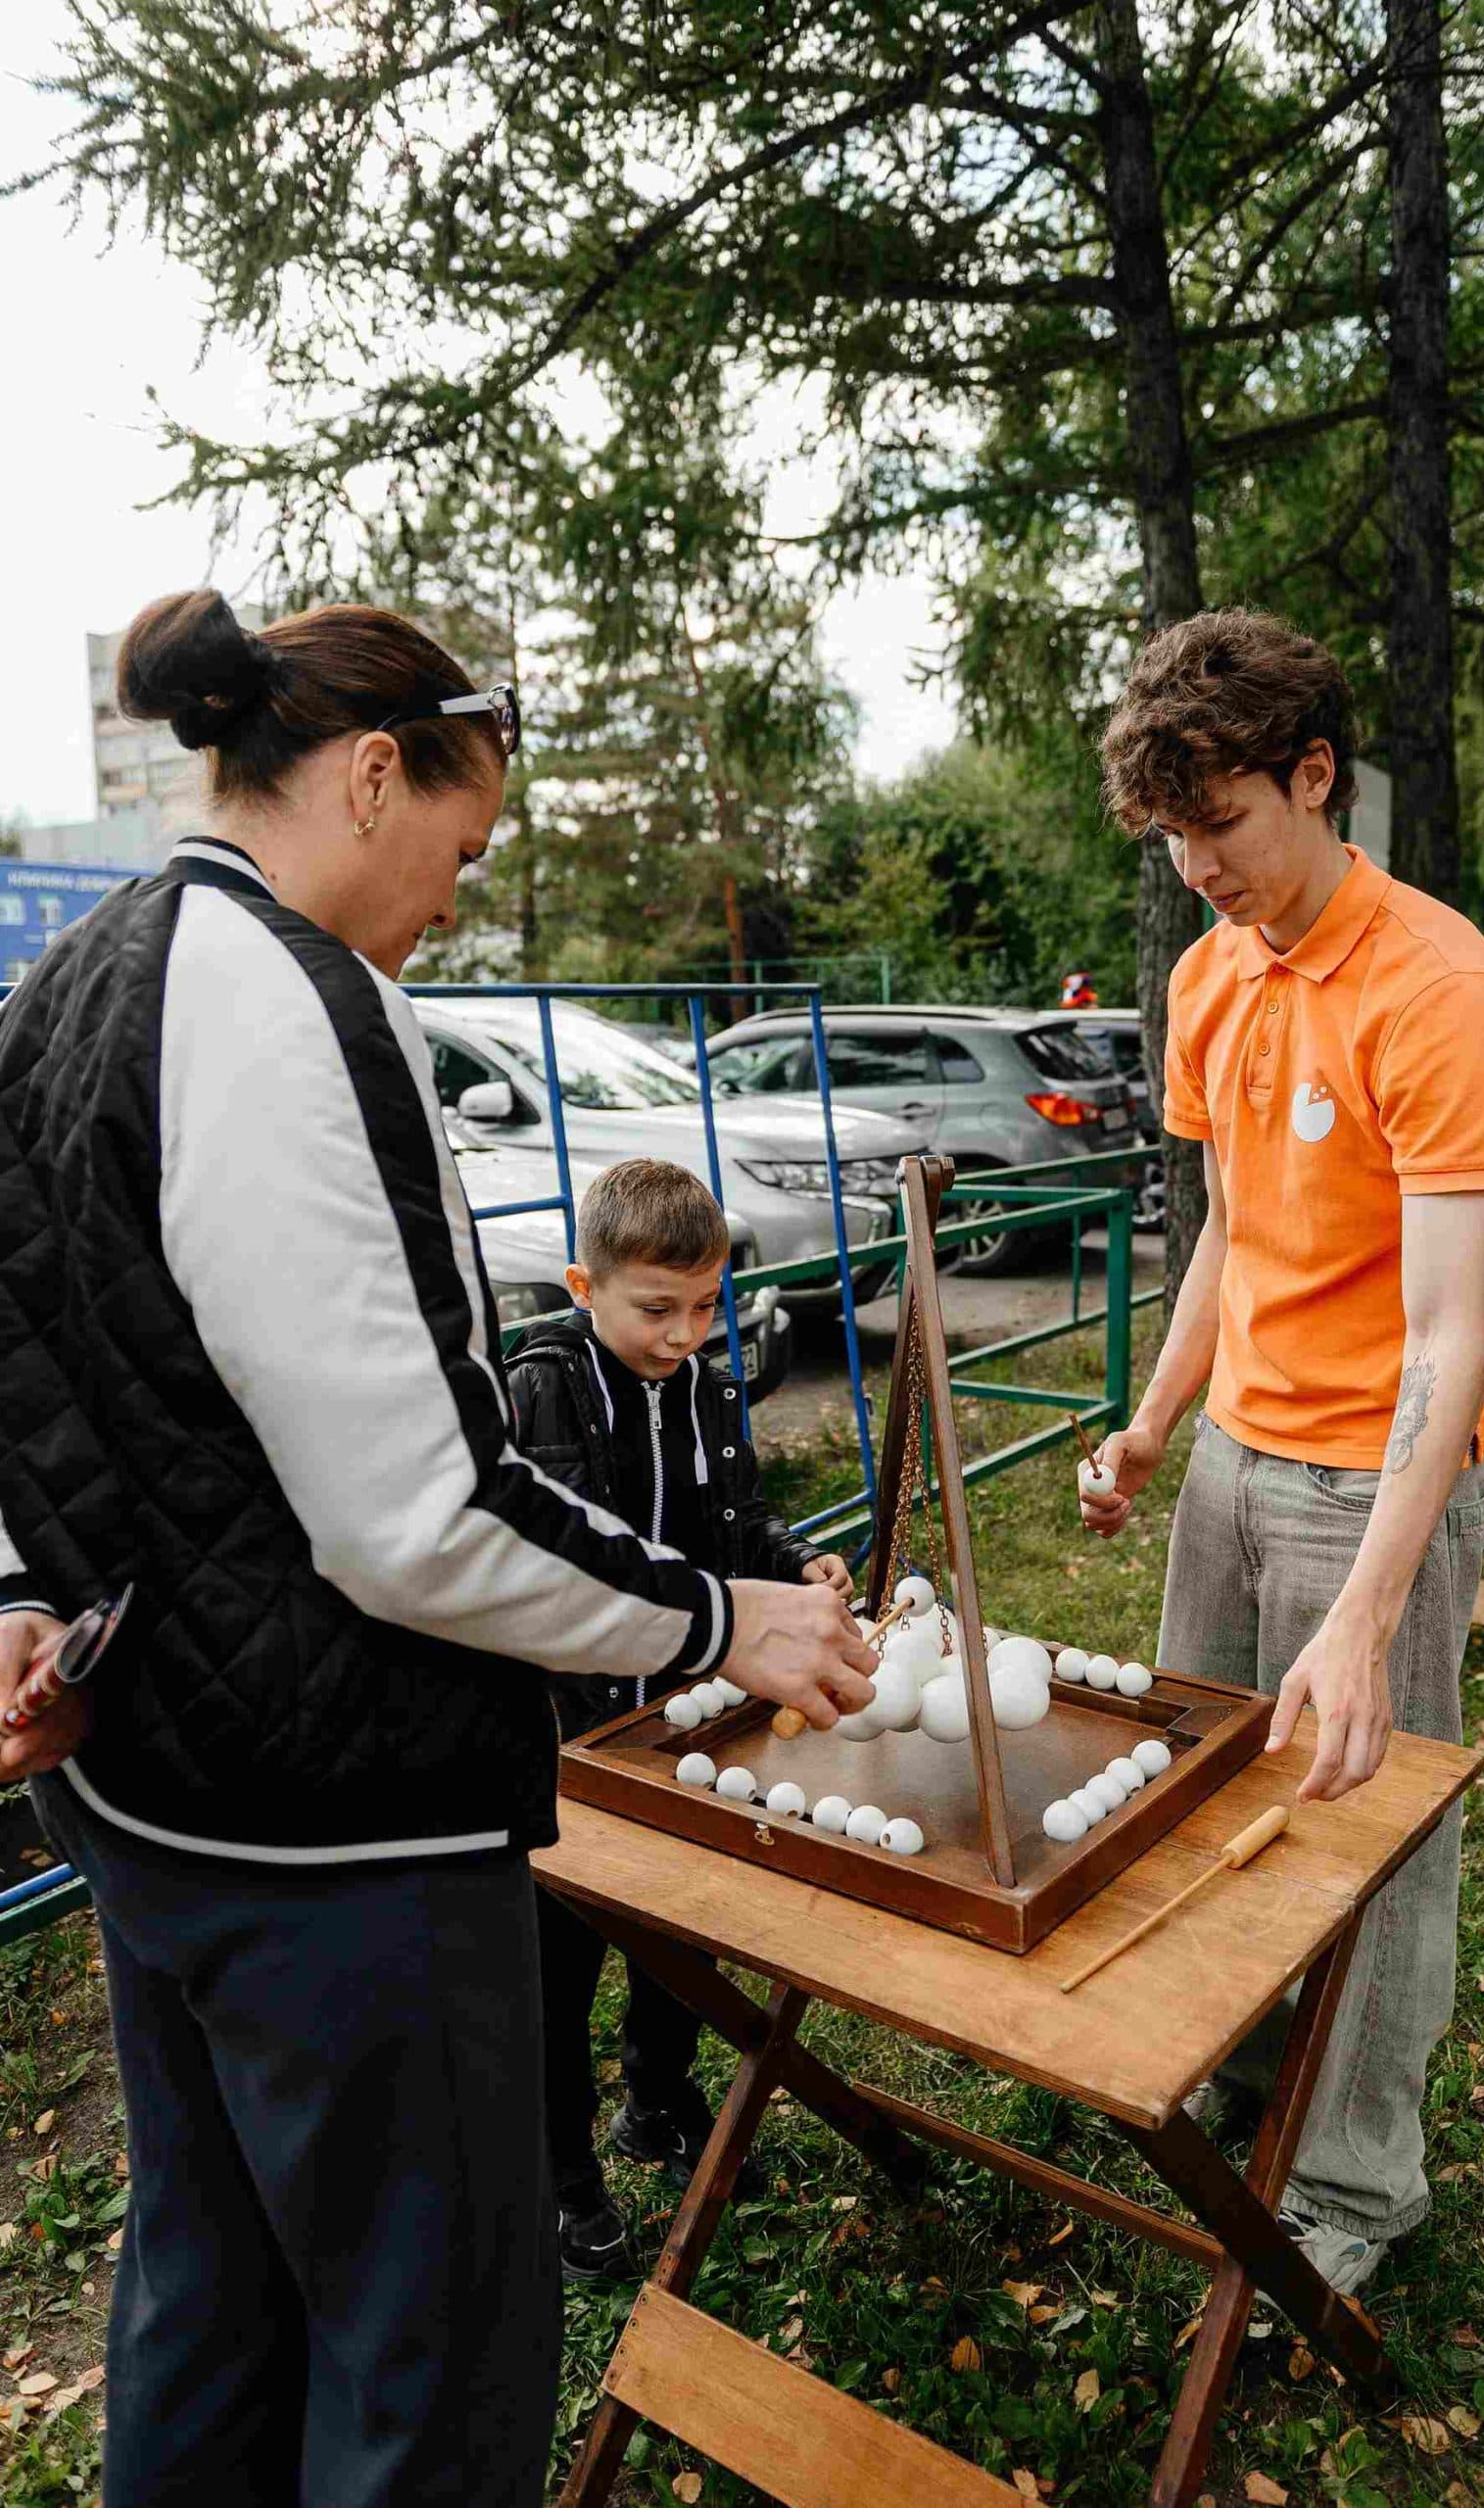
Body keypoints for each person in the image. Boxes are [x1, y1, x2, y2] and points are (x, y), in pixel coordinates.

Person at [0, 590, 877, 2508]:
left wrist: (22, 1582)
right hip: (346, 1842)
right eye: (465, 850)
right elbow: (422, 1514)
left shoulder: (79, 975)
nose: (458, 903)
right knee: (423, 2357)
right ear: (375, 770)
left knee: (209, 2299)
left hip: (150, 1801)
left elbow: (49, 1346)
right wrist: (724, 1612)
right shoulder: (303, 1004)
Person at [1083, 607, 1484, 2305]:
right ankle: (1224, 2067)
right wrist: (1147, 1418)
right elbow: (1224, 1235)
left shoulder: (1435, 987)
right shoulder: (1209, 978)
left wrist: (1363, 1604)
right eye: (1171, 833)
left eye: (1219, 824)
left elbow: (1442, 1339)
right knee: (1199, 1799)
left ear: (1312, 776)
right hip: (1230, 1464)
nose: (1194, 866)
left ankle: (1350, 2184)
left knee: (1366, 1834)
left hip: (1382, 1484)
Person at [503, 1159, 853, 2279]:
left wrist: (796, 1564)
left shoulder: (703, 1384)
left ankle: (656, 2102)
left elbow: (737, 1516)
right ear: (581, 1286)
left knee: (677, 1931)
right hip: (557, 1741)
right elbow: (531, 1564)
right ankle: (559, 2180)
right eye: (656, 1308)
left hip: (680, 1722)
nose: (683, 1334)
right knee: (556, 1969)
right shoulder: (532, 1392)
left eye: (704, 1307)